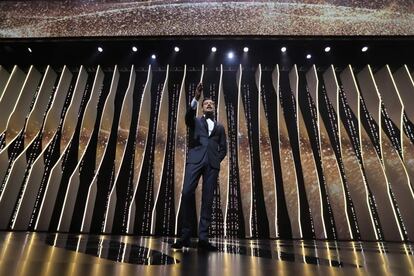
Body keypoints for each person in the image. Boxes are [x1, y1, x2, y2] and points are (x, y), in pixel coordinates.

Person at [172, 82, 227, 252]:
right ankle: (186, 236)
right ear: (202, 108)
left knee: (207, 200)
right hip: (195, 161)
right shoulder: (195, 121)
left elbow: (223, 148)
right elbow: (187, 117)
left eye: (211, 103)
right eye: (206, 103)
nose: (209, 104)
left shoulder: (220, 127)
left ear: (214, 107)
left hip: (212, 165)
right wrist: (196, 98)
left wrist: (216, 160)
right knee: (187, 192)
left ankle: (203, 238)